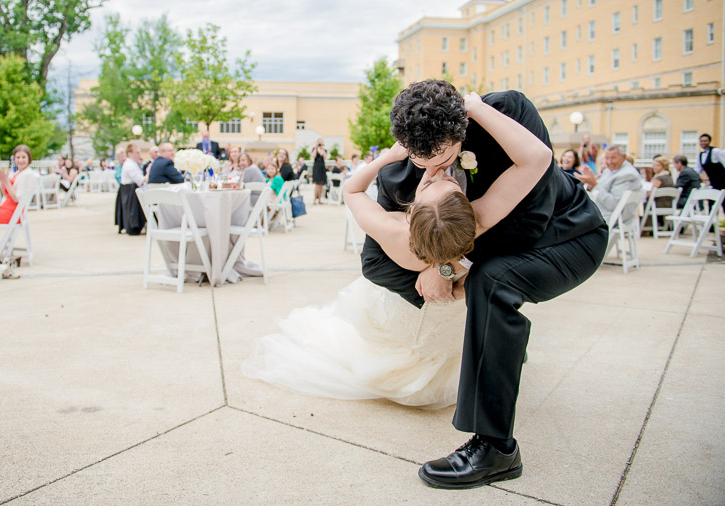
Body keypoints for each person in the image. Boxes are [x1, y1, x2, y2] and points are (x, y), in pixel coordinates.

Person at [360, 80, 607, 489]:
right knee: (480, 283)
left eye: (437, 154)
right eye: (416, 157)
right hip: (501, 247)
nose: (428, 168)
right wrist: (437, 270)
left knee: (491, 281)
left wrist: (445, 267)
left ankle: (497, 449)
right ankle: (500, 352)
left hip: (568, 235)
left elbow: (531, 222)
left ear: (460, 130)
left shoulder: (507, 112)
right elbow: (376, 260)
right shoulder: (403, 170)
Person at [244, 139, 478, 408]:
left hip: (410, 319)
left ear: (411, 211)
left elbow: (352, 190)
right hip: (449, 326)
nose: (435, 173)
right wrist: (451, 272)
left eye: (427, 184)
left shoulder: (394, 230)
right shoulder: (478, 225)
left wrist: (386, 157)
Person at [575, 145, 643, 222]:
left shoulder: (627, 174)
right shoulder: (611, 170)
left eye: (613, 158)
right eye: (607, 158)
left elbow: (612, 204)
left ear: (623, 157)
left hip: (611, 218)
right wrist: (590, 182)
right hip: (603, 213)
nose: (609, 162)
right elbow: (599, 189)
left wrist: (594, 184)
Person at [116, 142, 147, 235]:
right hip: (131, 193)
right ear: (129, 153)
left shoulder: (131, 164)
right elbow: (140, 180)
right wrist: (149, 173)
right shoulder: (130, 165)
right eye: (137, 152)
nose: (139, 155)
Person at [697, 133, 725, 210]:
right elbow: (698, 170)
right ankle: (712, 221)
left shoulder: (716, 151)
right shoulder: (700, 155)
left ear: (709, 141)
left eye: (705, 141)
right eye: (701, 141)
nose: (703, 143)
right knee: (711, 204)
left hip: (722, 182)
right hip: (713, 183)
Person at [311, 138, 327, 204]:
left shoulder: (324, 150)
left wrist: (322, 148)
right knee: (317, 184)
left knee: (321, 184)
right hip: (316, 168)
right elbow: (313, 156)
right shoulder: (314, 149)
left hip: (322, 168)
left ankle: (320, 199)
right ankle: (314, 199)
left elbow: (325, 157)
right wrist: (316, 148)